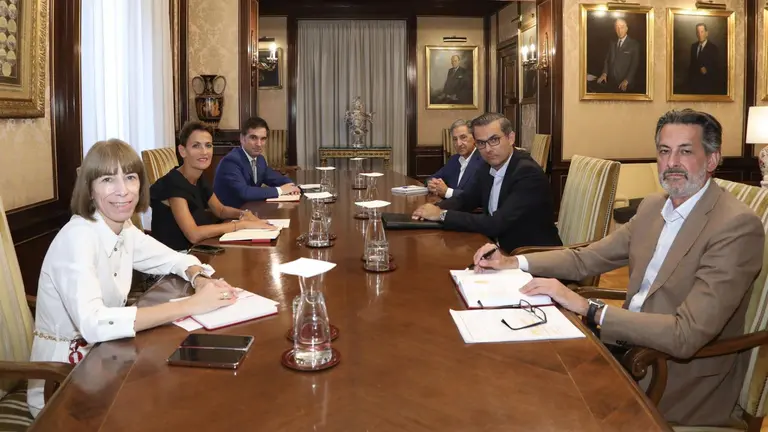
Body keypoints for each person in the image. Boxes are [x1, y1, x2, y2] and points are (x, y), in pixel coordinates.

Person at [472, 109, 764, 426]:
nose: (672, 163)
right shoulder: (654, 207)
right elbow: (587, 257)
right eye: (665, 151)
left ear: (712, 159)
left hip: (674, 377)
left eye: (686, 151)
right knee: (514, 377)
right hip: (624, 348)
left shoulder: (735, 226)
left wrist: (590, 309)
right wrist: (512, 262)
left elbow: (686, 334)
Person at [29, 139, 239, 416]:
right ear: (89, 190)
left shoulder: (122, 229)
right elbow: (94, 323)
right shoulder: (77, 238)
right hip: (64, 382)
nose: (123, 190)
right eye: (107, 179)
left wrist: (199, 278)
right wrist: (192, 305)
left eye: (130, 177)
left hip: (106, 358)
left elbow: (174, 258)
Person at [412, 112, 561, 253]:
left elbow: (496, 224)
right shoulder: (487, 167)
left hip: (530, 257)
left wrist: (442, 215)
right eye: (482, 143)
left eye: (494, 140)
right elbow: (466, 199)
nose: (488, 149)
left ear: (510, 138)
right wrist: (432, 209)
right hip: (497, 250)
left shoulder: (527, 173)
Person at [150, 121, 276, 251]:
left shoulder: (198, 177)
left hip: (197, 250)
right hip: (175, 259)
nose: (204, 152)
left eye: (208, 145)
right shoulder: (174, 184)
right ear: (183, 151)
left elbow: (220, 210)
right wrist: (241, 225)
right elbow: (193, 234)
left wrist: (243, 214)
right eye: (196, 146)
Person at [213, 117, 300, 208]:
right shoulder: (231, 161)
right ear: (242, 139)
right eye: (253, 138)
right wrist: (280, 190)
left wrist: (291, 186)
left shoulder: (260, 160)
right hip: (228, 218)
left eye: (263, 139)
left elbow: (275, 178)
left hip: (249, 212)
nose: (259, 144)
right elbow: (244, 192)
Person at [426, 119, 483, 198]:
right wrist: (432, 184)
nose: (458, 144)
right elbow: (433, 177)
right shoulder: (454, 160)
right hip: (448, 206)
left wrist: (447, 192)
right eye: (455, 139)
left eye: (463, 137)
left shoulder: (483, 161)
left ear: (474, 138)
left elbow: (478, 196)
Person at [596, 18, 639, 93]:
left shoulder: (634, 44)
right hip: (610, 83)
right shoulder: (612, 42)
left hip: (625, 85)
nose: (619, 30)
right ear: (615, 29)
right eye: (617, 27)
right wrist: (604, 73)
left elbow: (634, 65)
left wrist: (627, 80)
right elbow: (607, 59)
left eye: (622, 27)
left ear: (626, 28)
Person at [687, 23, 722, 95]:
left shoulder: (713, 48)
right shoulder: (693, 47)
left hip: (708, 86)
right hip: (694, 86)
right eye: (698, 32)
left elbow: (718, 68)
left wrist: (707, 70)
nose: (700, 34)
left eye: (702, 32)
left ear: (707, 33)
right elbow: (692, 65)